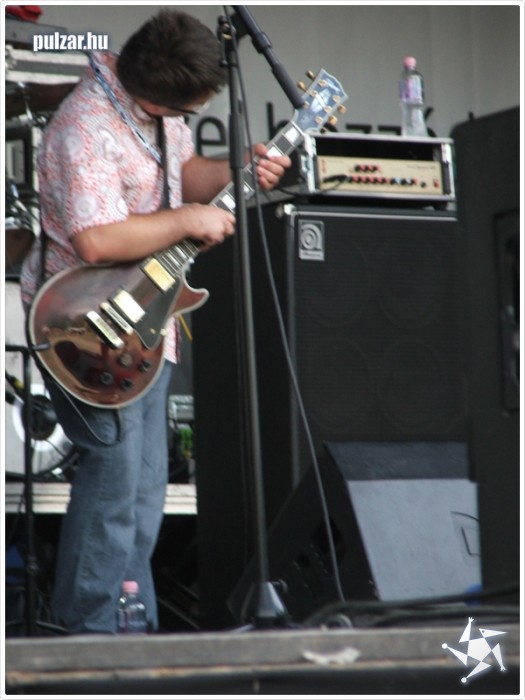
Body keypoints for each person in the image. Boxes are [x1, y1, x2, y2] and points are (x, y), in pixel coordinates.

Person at [20, 9, 291, 634]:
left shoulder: (156, 111)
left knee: (145, 490)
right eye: (189, 109)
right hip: (83, 327)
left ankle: (129, 623)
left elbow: (181, 174)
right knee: (113, 483)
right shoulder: (84, 125)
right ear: (155, 98)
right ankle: (87, 634)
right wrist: (188, 221)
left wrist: (238, 169)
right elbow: (95, 239)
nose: (190, 116)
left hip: (144, 321)